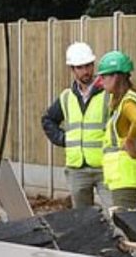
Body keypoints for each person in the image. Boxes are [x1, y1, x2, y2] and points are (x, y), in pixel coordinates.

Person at [41, 41, 109, 207]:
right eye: (80, 67)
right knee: (82, 218)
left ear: (93, 65)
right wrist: (64, 139)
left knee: (114, 213)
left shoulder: (108, 93)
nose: (85, 71)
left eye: (88, 66)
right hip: (77, 169)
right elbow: (48, 120)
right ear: (72, 69)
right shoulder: (66, 97)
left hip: (105, 166)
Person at [96, 50, 136, 209]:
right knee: (121, 215)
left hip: (125, 173)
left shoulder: (127, 102)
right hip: (121, 174)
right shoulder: (121, 101)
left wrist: (130, 140)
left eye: (104, 76)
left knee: (123, 216)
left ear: (116, 77)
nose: (101, 81)